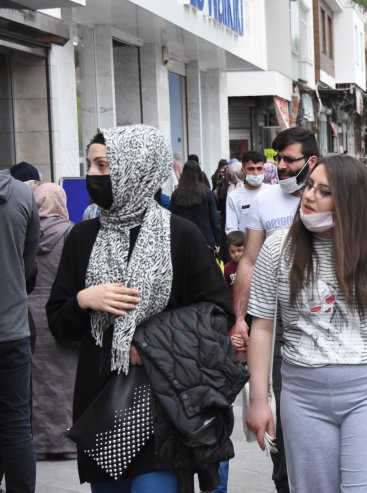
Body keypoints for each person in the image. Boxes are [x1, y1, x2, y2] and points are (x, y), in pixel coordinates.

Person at [46, 125, 235, 491]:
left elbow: (217, 312)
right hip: (101, 404)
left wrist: (149, 344)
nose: (92, 175)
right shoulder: (82, 237)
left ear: (135, 167)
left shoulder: (181, 236)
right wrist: (84, 301)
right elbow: (58, 323)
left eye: (103, 166)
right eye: (90, 165)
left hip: (165, 404)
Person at [245, 155, 367, 492]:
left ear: (348, 201)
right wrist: (259, 399)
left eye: (324, 191)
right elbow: (263, 327)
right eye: (311, 185)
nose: (310, 195)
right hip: (302, 396)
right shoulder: (278, 247)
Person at [231, 127, 320, 493]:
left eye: (289, 160)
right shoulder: (265, 201)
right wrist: (241, 317)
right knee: (284, 409)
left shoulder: (330, 197)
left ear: (310, 162)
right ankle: (285, 479)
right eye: (277, 159)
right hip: (278, 323)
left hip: (327, 320)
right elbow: (248, 262)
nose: (280, 167)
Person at [28, 184, 77, 459]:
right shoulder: (71, 233)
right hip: (62, 311)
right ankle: (65, 440)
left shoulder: (27, 232)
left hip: (29, 312)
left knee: (36, 380)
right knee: (66, 378)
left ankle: (39, 441)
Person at [0, 168, 40, 492]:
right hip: (12, 328)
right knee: (16, 424)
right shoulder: (22, 195)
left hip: (12, 328)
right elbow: (29, 266)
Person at [170, 160, 222, 251]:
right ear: (199, 174)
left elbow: (171, 218)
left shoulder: (176, 194)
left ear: (183, 174)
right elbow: (214, 219)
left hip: (183, 241)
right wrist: (217, 241)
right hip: (206, 240)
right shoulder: (207, 193)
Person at [225, 151, 268, 234]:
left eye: (259, 168)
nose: (255, 173)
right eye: (251, 169)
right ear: (243, 170)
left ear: (264, 169)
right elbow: (231, 230)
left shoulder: (272, 191)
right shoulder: (233, 197)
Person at [223, 230, 245, 300]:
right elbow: (227, 287)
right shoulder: (227, 268)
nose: (236, 254)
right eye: (232, 252)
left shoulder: (252, 265)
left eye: (239, 250)